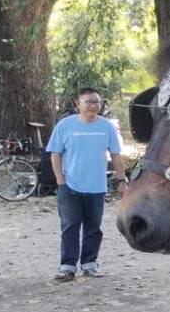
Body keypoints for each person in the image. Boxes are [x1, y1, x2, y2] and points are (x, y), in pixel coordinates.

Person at [47, 88, 127, 282]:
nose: (93, 106)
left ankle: (90, 264)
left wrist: (122, 180)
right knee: (70, 226)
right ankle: (67, 267)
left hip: (97, 187)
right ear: (77, 104)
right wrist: (61, 181)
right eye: (88, 102)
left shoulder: (107, 127)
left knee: (94, 228)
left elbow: (116, 156)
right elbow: (55, 155)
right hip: (70, 186)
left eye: (96, 102)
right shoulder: (65, 126)